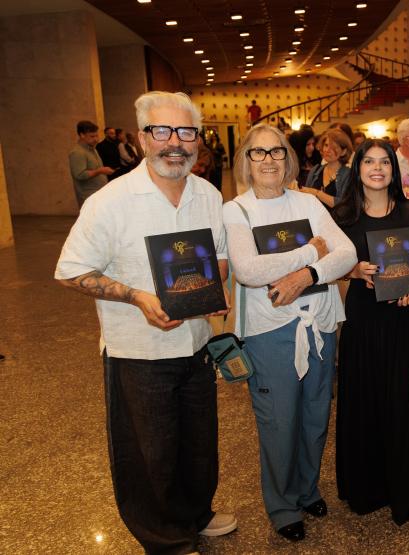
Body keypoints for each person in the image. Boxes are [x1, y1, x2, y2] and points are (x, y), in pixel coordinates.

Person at [54, 91, 236, 554]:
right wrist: (136, 296)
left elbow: (219, 257)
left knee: (198, 442)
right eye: (162, 131)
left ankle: (195, 513)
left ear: (198, 139)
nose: (175, 142)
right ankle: (163, 538)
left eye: (186, 131)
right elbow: (71, 270)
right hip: (138, 350)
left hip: (196, 342)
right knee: (149, 451)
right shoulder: (111, 201)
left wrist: (213, 287)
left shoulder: (208, 194)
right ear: (142, 138)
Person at [223, 124, 356, 542]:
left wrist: (306, 275)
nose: (268, 160)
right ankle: (282, 505)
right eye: (259, 153)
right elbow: (249, 270)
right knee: (279, 422)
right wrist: (312, 252)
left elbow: (348, 253)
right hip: (270, 333)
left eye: (277, 152)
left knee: (316, 416)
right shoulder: (236, 211)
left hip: (319, 325)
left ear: (289, 159)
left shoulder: (308, 203)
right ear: (246, 160)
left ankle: (306, 489)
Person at [332, 140, 409, 524]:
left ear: (393, 170)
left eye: (384, 162)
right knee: (365, 396)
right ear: (358, 168)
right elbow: (328, 265)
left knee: (403, 399)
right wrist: (353, 271)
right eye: (369, 161)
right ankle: (369, 484)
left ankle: (407, 482)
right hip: (363, 320)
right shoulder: (343, 216)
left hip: (405, 318)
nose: (377, 168)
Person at [302, 128, 353, 208]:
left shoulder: (349, 174)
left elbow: (345, 205)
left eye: (334, 147)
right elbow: (306, 196)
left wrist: (317, 193)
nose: (328, 150)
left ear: (343, 151)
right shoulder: (316, 170)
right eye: (326, 145)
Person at [68, 120, 113, 207]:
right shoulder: (77, 152)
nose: (96, 139)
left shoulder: (93, 149)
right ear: (82, 135)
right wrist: (100, 171)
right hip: (89, 197)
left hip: (99, 194)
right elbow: (80, 175)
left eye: (97, 136)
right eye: (92, 136)